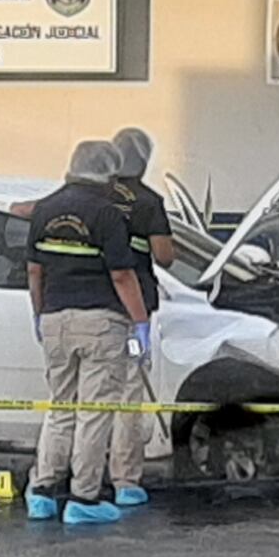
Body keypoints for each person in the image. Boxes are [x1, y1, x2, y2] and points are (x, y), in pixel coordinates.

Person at [25, 140, 151, 526]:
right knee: (94, 413)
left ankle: (43, 492)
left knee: (60, 409)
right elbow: (122, 274)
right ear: (108, 175)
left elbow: (34, 271)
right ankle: (84, 498)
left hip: (54, 318)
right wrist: (140, 321)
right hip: (100, 322)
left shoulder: (44, 209)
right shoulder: (106, 213)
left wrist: (39, 313)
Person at [108, 127, 175, 507]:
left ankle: (74, 478)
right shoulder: (149, 202)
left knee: (82, 397)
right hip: (134, 312)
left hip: (94, 302)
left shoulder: (94, 195)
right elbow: (164, 256)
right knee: (128, 394)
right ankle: (125, 480)